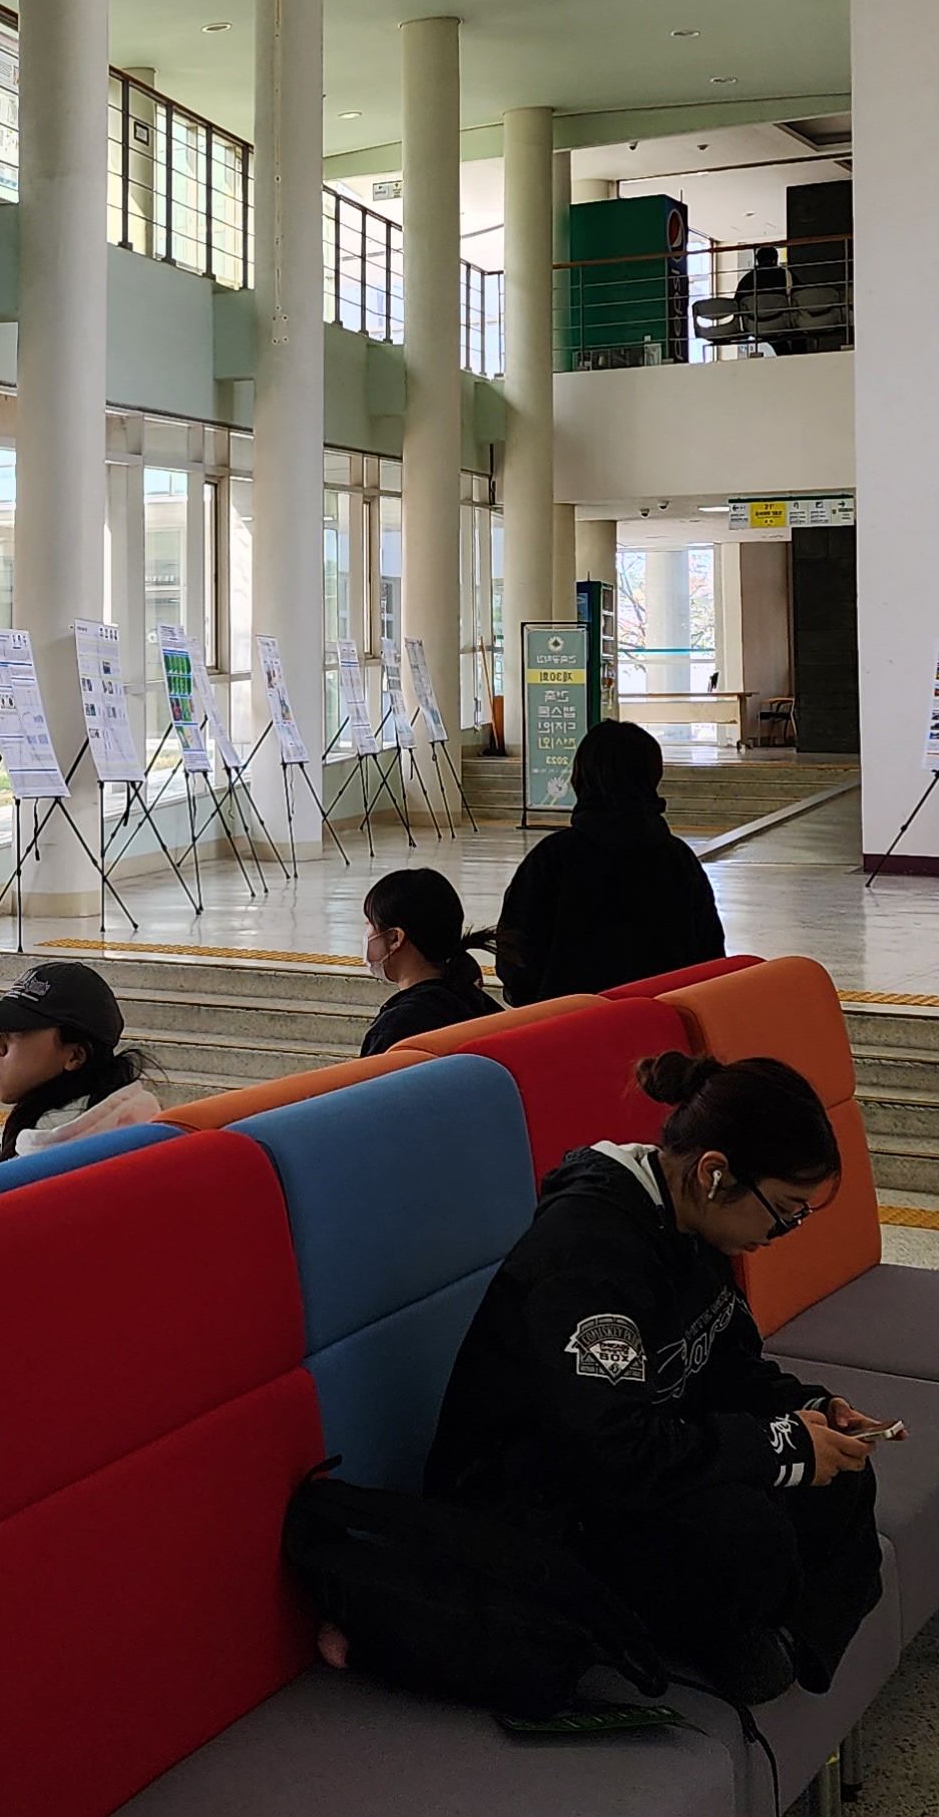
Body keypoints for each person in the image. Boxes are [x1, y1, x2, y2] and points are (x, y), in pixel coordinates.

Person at [418, 1049, 888, 1705]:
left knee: (840, 1477)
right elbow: (609, 1453)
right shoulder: (589, 1254)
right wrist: (775, 1446)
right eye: (784, 1209)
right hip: (541, 1503)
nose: (784, 1231)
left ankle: (780, 1641)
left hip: (636, 1461)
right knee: (744, 1533)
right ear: (716, 1173)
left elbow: (723, 1362)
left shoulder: (692, 1224)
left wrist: (808, 1408)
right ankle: (742, 1635)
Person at [492, 718, 723, 1003]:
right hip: (662, 1023)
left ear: (581, 776)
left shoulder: (552, 859)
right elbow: (710, 960)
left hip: (569, 1023)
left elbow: (515, 957)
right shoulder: (679, 861)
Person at [0, 958, 163, 1165]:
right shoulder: (139, 1124)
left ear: (75, 1056)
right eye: (1, 1030)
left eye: (18, 1030)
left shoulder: (41, 1165)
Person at [357, 866, 501, 1056]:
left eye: (369, 924)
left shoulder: (394, 1031)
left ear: (395, 938)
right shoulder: (478, 1003)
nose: (366, 934)